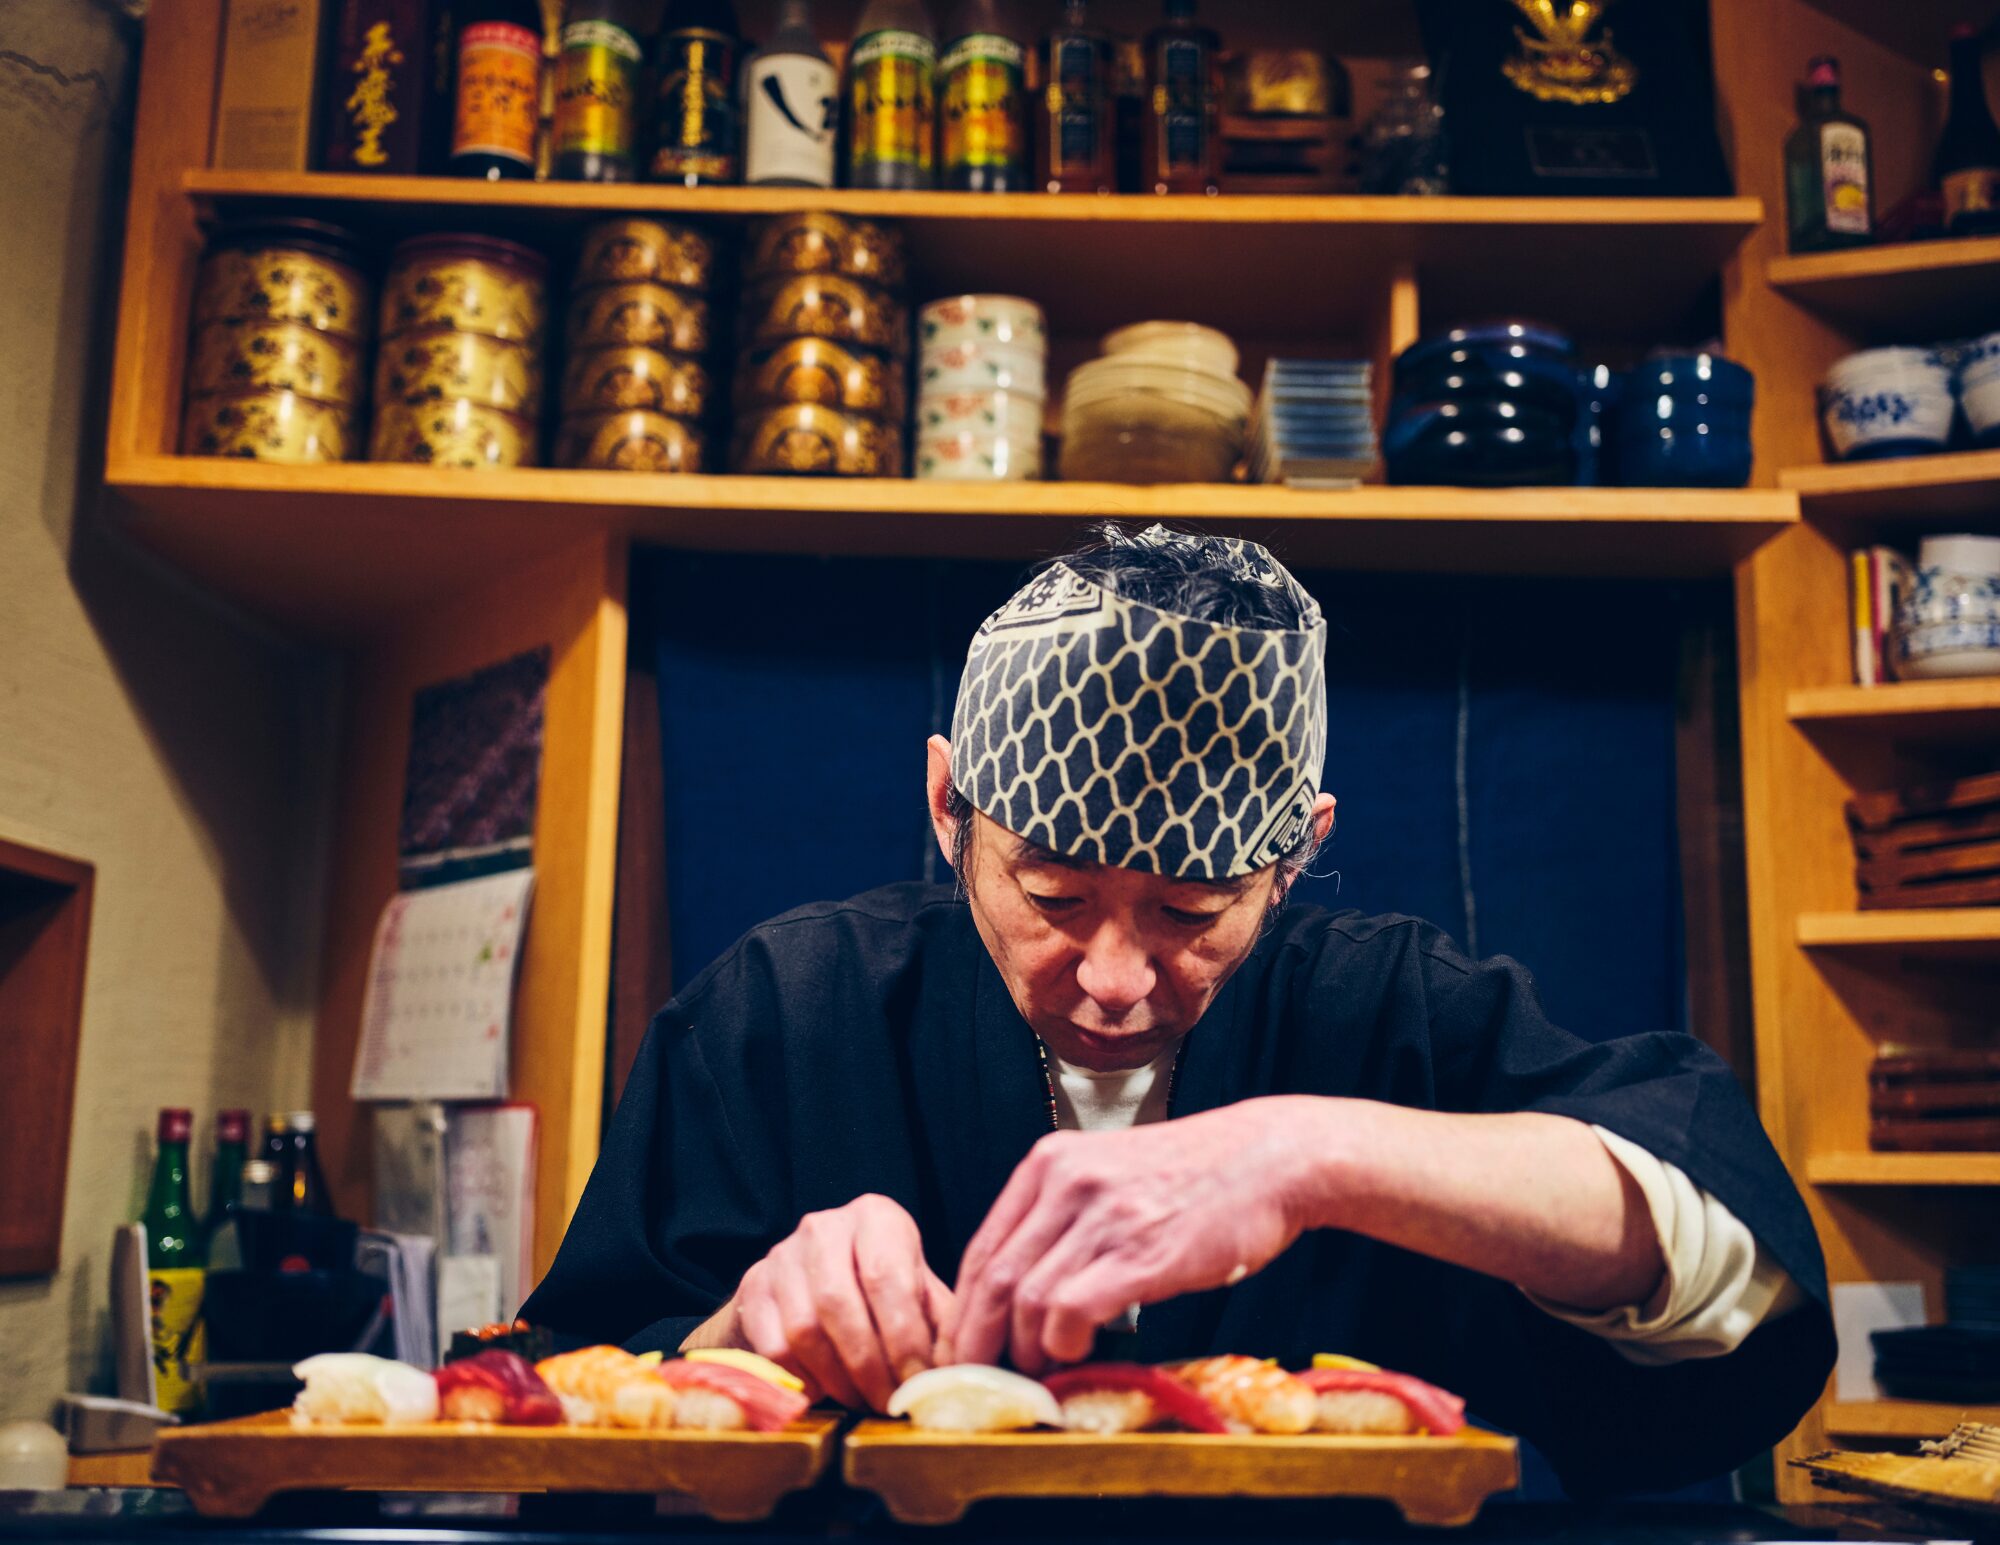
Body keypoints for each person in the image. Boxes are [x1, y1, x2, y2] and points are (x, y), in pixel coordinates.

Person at [522, 524, 1834, 1494]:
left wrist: (1312, 1157)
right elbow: (550, 1402)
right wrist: (745, 1327)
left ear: (1296, 851)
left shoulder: (1389, 1010)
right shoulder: (787, 1008)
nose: (1113, 975)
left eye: (1191, 916)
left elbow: (1730, 1267)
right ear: (946, 808)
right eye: (1051, 893)